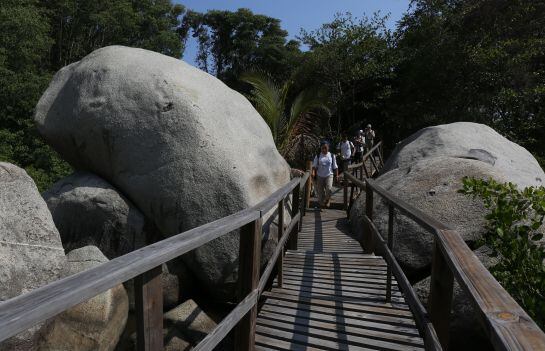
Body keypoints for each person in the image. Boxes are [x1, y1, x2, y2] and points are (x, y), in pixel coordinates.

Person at [312, 142, 339, 210]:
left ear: (328, 148)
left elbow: (335, 166)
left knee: (328, 188)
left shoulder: (332, 155)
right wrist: (313, 174)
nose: (324, 150)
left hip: (329, 175)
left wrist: (337, 175)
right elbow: (314, 166)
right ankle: (322, 205)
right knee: (320, 192)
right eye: (322, 148)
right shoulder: (318, 156)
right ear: (321, 148)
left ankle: (328, 199)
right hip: (319, 175)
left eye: (325, 148)